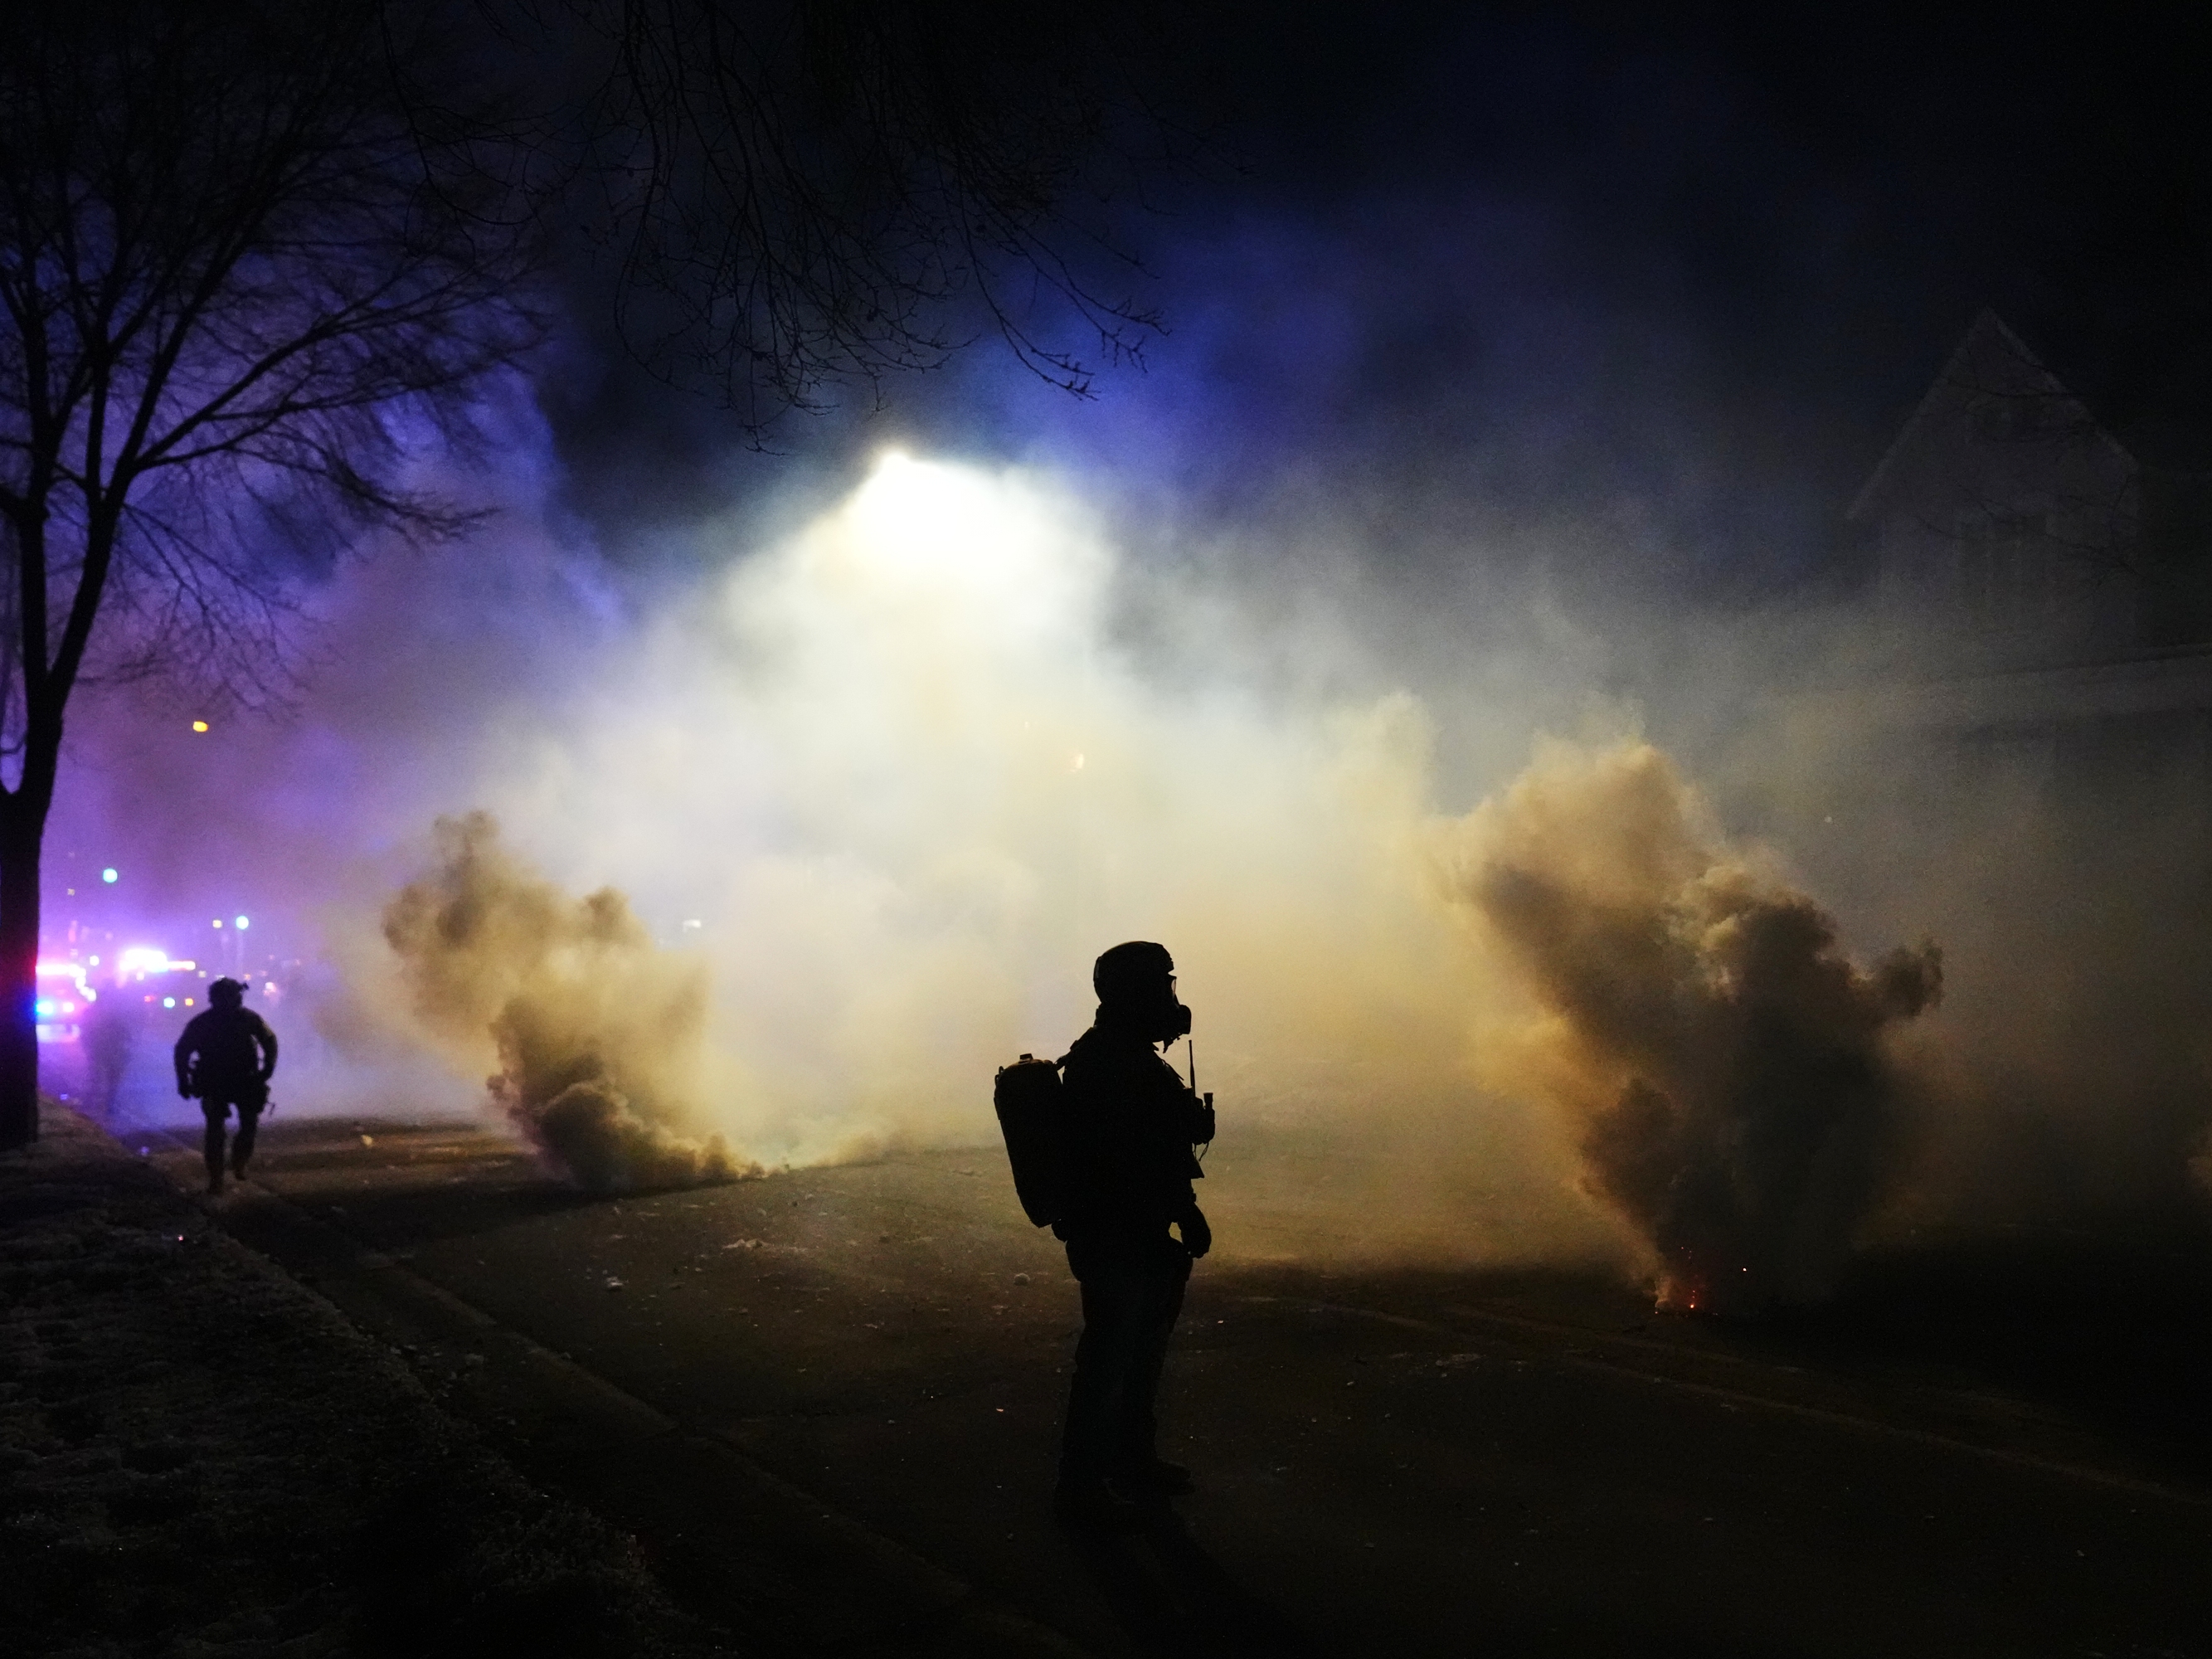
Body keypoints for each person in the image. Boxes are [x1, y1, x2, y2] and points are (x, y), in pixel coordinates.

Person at [1053, 940, 1217, 1530]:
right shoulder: (1111, 1065)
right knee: (1110, 1357)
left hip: (1134, 1229)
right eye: (1159, 986)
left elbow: (1159, 1147)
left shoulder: (1118, 1057)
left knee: (1138, 1354)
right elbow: (1135, 1155)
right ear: (1131, 993)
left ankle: (1126, 1462)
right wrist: (1184, 1208)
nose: (1169, 998)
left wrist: (1180, 1204)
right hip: (1116, 1232)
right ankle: (1082, 1481)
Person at [174, 978, 279, 1194]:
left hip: (242, 1080)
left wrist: (267, 1069)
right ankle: (218, 1177)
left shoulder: (247, 1019)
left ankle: (236, 1165)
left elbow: (269, 1041)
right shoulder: (206, 1022)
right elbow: (182, 1050)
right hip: (217, 1081)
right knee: (217, 1130)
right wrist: (183, 1080)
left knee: (245, 1125)